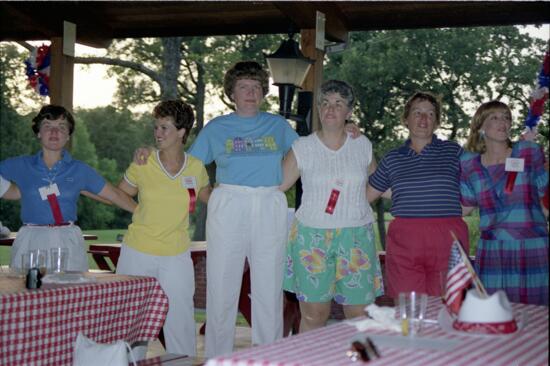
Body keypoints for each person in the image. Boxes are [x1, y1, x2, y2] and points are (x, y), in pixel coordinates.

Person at [280, 80, 384, 332]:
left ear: (349, 112)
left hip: (356, 236)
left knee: (359, 316)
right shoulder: (302, 147)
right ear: (318, 109)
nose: (330, 108)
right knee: (315, 315)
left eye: (338, 103)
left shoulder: (362, 144)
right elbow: (277, 186)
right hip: (311, 237)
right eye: (325, 102)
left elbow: (380, 184)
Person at [116, 100, 211, 358]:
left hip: (176, 254)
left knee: (180, 318)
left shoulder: (196, 168)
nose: (158, 133)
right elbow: (119, 194)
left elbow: (209, 198)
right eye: (156, 127)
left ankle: (182, 363)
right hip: (138, 251)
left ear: (181, 132)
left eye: (165, 127)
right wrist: (140, 212)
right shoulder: (143, 162)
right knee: (131, 317)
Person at [0, 105, 136, 271]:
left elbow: (115, 195)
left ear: (68, 136)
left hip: (68, 241)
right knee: (28, 291)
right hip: (30, 240)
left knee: (70, 292)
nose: (54, 132)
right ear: (38, 132)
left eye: (61, 127)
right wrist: (13, 191)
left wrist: (145, 213)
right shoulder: (21, 165)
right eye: (48, 126)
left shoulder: (80, 170)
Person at [367, 92, 469, 299]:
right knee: (407, 308)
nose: (424, 119)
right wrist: (355, 142)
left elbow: (480, 181)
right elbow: (366, 196)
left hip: (448, 238)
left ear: (437, 122)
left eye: (430, 114)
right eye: (417, 113)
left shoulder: (455, 152)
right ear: (406, 119)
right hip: (405, 239)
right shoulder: (392, 159)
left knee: (449, 306)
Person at [460, 100, 548, 305]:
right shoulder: (468, 163)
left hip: (531, 246)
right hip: (493, 251)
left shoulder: (528, 151)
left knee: (536, 318)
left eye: (506, 118)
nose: (503, 122)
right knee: (494, 314)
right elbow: (465, 205)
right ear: (480, 126)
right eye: (494, 117)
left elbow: (544, 191)